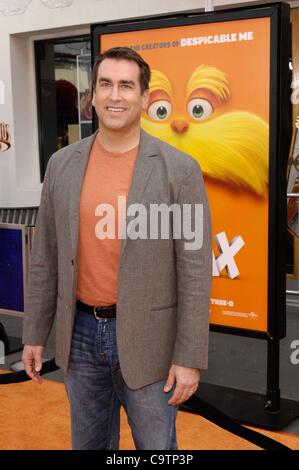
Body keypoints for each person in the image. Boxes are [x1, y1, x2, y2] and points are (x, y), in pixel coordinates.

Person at [22, 47, 212, 450]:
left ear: (144, 98)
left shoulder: (180, 170)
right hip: (80, 335)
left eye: (127, 85)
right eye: (105, 84)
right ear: (91, 96)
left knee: (157, 449)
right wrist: (36, 333)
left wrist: (189, 356)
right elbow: (46, 258)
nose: (114, 95)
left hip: (151, 340)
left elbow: (195, 269)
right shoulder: (61, 164)